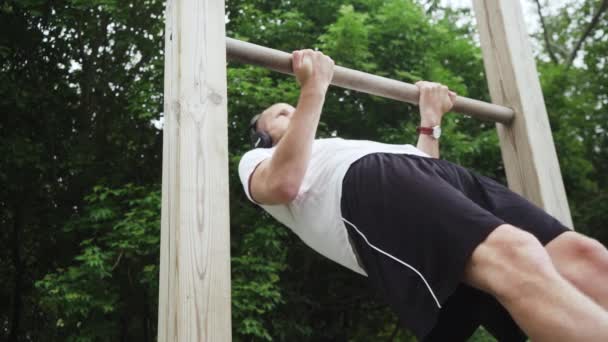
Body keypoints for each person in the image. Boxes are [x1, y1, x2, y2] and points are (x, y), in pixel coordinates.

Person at [237, 49, 608, 341]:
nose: (294, 111)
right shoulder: (257, 159)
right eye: (282, 114)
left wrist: (430, 121)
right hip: (361, 184)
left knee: (584, 255)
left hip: (425, 170)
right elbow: (284, 184)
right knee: (516, 255)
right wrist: (313, 88)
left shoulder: (336, 145)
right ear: (263, 137)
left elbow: (421, 171)